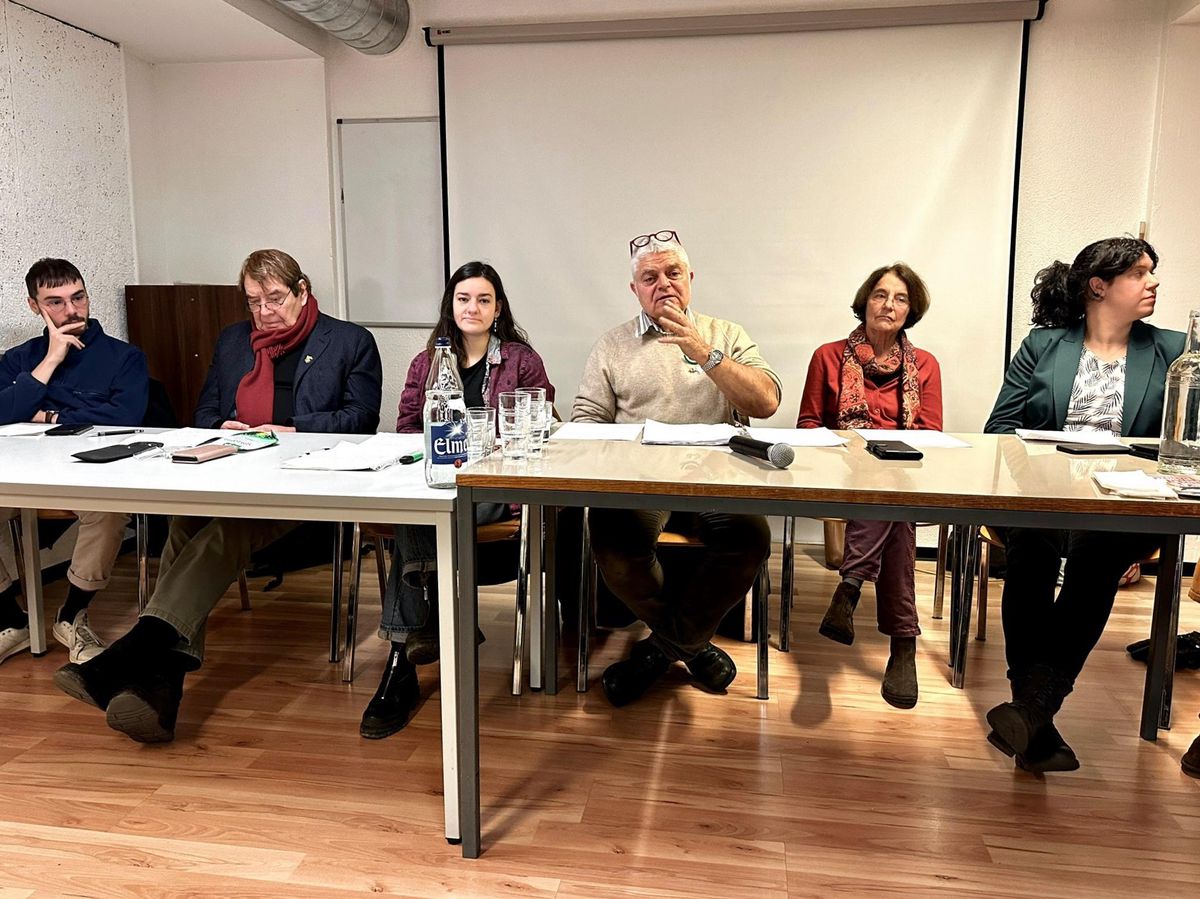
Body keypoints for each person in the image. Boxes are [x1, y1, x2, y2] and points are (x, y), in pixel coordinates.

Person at [53, 249, 382, 743]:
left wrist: (289, 428)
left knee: (222, 530)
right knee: (185, 523)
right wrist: (220, 425)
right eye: (254, 302)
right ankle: (157, 689)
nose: (265, 312)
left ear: (302, 290)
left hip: (311, 487)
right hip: (236, 472)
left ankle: (131, 653)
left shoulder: (350, 341)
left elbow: (361, 419)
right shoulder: (234, 341)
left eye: (275, 299)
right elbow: (204, 411)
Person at [983, 236, 1181, 773]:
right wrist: (1036, 481)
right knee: (1031, 554)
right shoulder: (1044, 345)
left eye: (1152, 272)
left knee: (1096, 562)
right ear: (1099, 286)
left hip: (1123, 506)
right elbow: (1000, 428)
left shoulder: (1174, 350)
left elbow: (1184, 437)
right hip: (1042, 495)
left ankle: (1031, 709)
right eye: (1141, 273)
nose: (1153, 282)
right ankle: (1034, 717)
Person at [573, 230, 780, 707]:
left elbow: (766, 401)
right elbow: (586, 421)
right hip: (641, 481)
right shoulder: (612, 345)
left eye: (672, 273)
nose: (663, 283)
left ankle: (657, 652)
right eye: (650, 277)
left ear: (690, 279)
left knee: (751, 538)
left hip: (716, 478)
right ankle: (690, 644)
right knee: (612, 541)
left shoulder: (726, 334)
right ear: (635, 289)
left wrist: (705, 354)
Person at [361, 261, 554, 739]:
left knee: (422, 511)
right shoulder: (428, 361)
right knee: (420, 504)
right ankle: (425, 630)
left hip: (492, 487)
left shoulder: (519, 358)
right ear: (451, 305)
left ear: (498, 308)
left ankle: (407, 654)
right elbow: (408, 426)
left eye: (483, 300)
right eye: (464, 298)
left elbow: (543, 419)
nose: (473, 307)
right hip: (440, 478)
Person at [796, 263, 942, 709]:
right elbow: (807, 425)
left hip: (899, 475)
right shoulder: (828, 356)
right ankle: (904, 645)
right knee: (892, 508)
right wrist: (849, 450)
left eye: (900, 298)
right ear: (865, 301)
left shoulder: (926, 365)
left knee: (892, 498)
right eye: (880, 295)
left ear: (910, 310)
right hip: (842, 471)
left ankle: (853, 584)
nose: (889, 305)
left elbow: (931, 433)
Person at [0, 258, 148, 666]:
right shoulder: (20, 358)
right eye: (56, 302)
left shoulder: (124, 358)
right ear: (34, 307)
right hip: (24, 474)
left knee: (107, 508)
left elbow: (124, 418)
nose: (71, 310)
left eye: (77, 297)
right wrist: (49, 361)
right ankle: (10, 621)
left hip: (90, 474)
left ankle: (71, 615)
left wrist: (46, 413)